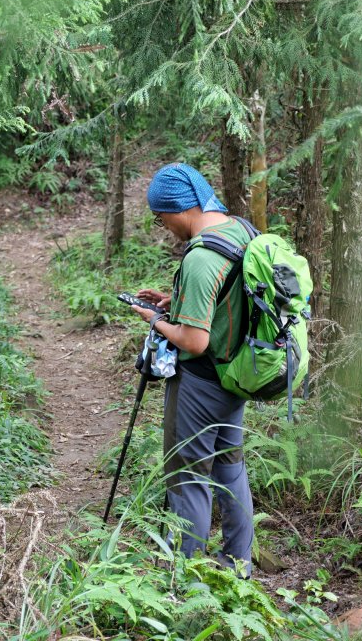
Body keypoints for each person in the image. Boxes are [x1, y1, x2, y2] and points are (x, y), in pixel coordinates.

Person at [129, 162, 254, 576]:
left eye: (159, 215)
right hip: (236, 374)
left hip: (202, 381)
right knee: (229, 466)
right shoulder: (239, 229)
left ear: (178, 208)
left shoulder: (201, 256)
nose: (162, 225)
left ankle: (185, 577)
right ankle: (239, 562)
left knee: (188, 476)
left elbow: (194, 340)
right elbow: (228, 298)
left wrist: (154, 320)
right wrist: (175, 301)